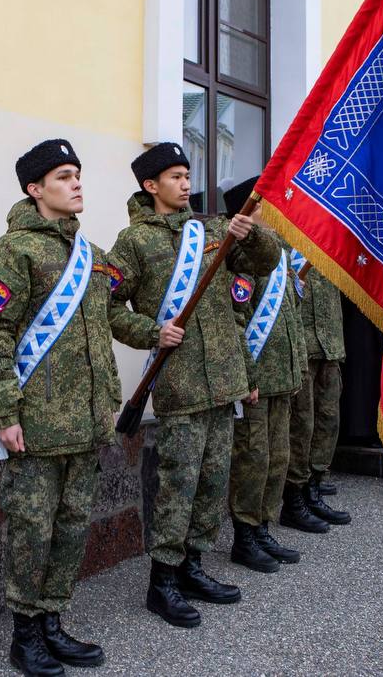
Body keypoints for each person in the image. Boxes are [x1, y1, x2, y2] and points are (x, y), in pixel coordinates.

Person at [108, 144, 277, 628]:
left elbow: (261, 263)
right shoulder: (133, 242)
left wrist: (251, 235)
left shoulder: (211, 230)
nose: (186, 184)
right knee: (179, 485)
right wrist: (149, 333)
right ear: (150, 185)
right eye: (176, 176)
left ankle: (193, 567)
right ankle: (163, 581)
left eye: (187, 175)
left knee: (211, 482)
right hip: (180, 385)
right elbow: (109, 305)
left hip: (223, 380)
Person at [0, 139, 120, 676]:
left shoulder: (93, 257)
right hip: (35, 425)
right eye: (62, 176)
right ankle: (24, 633)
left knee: (73, 524)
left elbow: (111, 322)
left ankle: (54, 620)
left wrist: (156, 331)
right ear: (35, 190)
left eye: (77, 173)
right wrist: (4, 414)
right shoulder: (14, 252)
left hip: (87, 421)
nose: (76, 183)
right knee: (32, 529)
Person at [221, 178, 313, 573]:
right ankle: (245, 535)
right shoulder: (243, 258)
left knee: (278, 457)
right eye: (265, 206)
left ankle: (263, 527)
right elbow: (237, 321)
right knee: (252, 458)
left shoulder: (278, 254)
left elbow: (290, 318)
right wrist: (247, 375)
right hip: (257, 380)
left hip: (283, 377)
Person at [282, 257, 351, 533]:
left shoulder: (325, 233)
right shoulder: (283, 238)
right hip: (301, 344)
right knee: (302, 425)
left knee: (328, 419)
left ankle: (314, 488)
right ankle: (294, 500)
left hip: (330, 339)